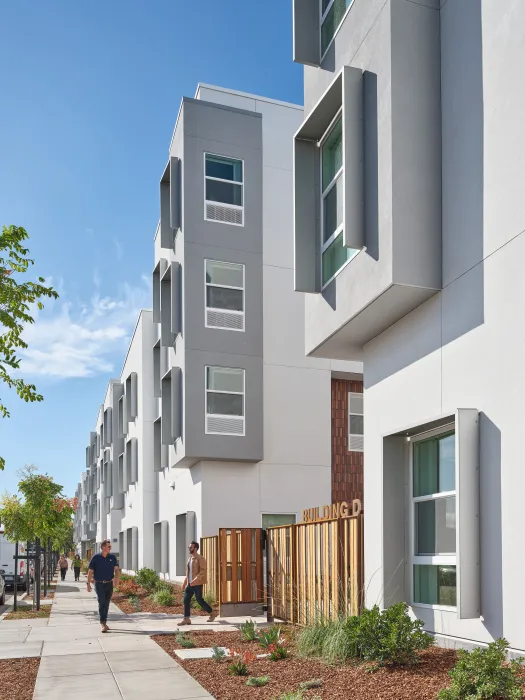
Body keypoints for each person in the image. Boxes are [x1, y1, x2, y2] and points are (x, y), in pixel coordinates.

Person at [178, 541, 218, 626]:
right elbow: (187, 573)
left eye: (191, 547)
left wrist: (195, 580)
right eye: (189, 547)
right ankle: (186, 619)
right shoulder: (189, 559)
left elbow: (203, 571)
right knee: (186, 600)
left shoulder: (200, 558)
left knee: (199, 600)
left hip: (197, 584)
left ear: (195, 548)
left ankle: (212, 613)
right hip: (190, 584)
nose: (189, 549)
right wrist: (184, 583)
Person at [87, 540, 119, 633]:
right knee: (102, 602)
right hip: (99, 583)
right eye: (109, 547)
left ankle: (104, 621)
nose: (110, 548)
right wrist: (88, 583)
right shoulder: (95, 558)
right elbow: (90, 572)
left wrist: (117, 578)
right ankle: (102, 623)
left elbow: (116, 569)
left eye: (110, 547)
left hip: (109, 583)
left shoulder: (112, 557)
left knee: (107, 603)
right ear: (103, 547)